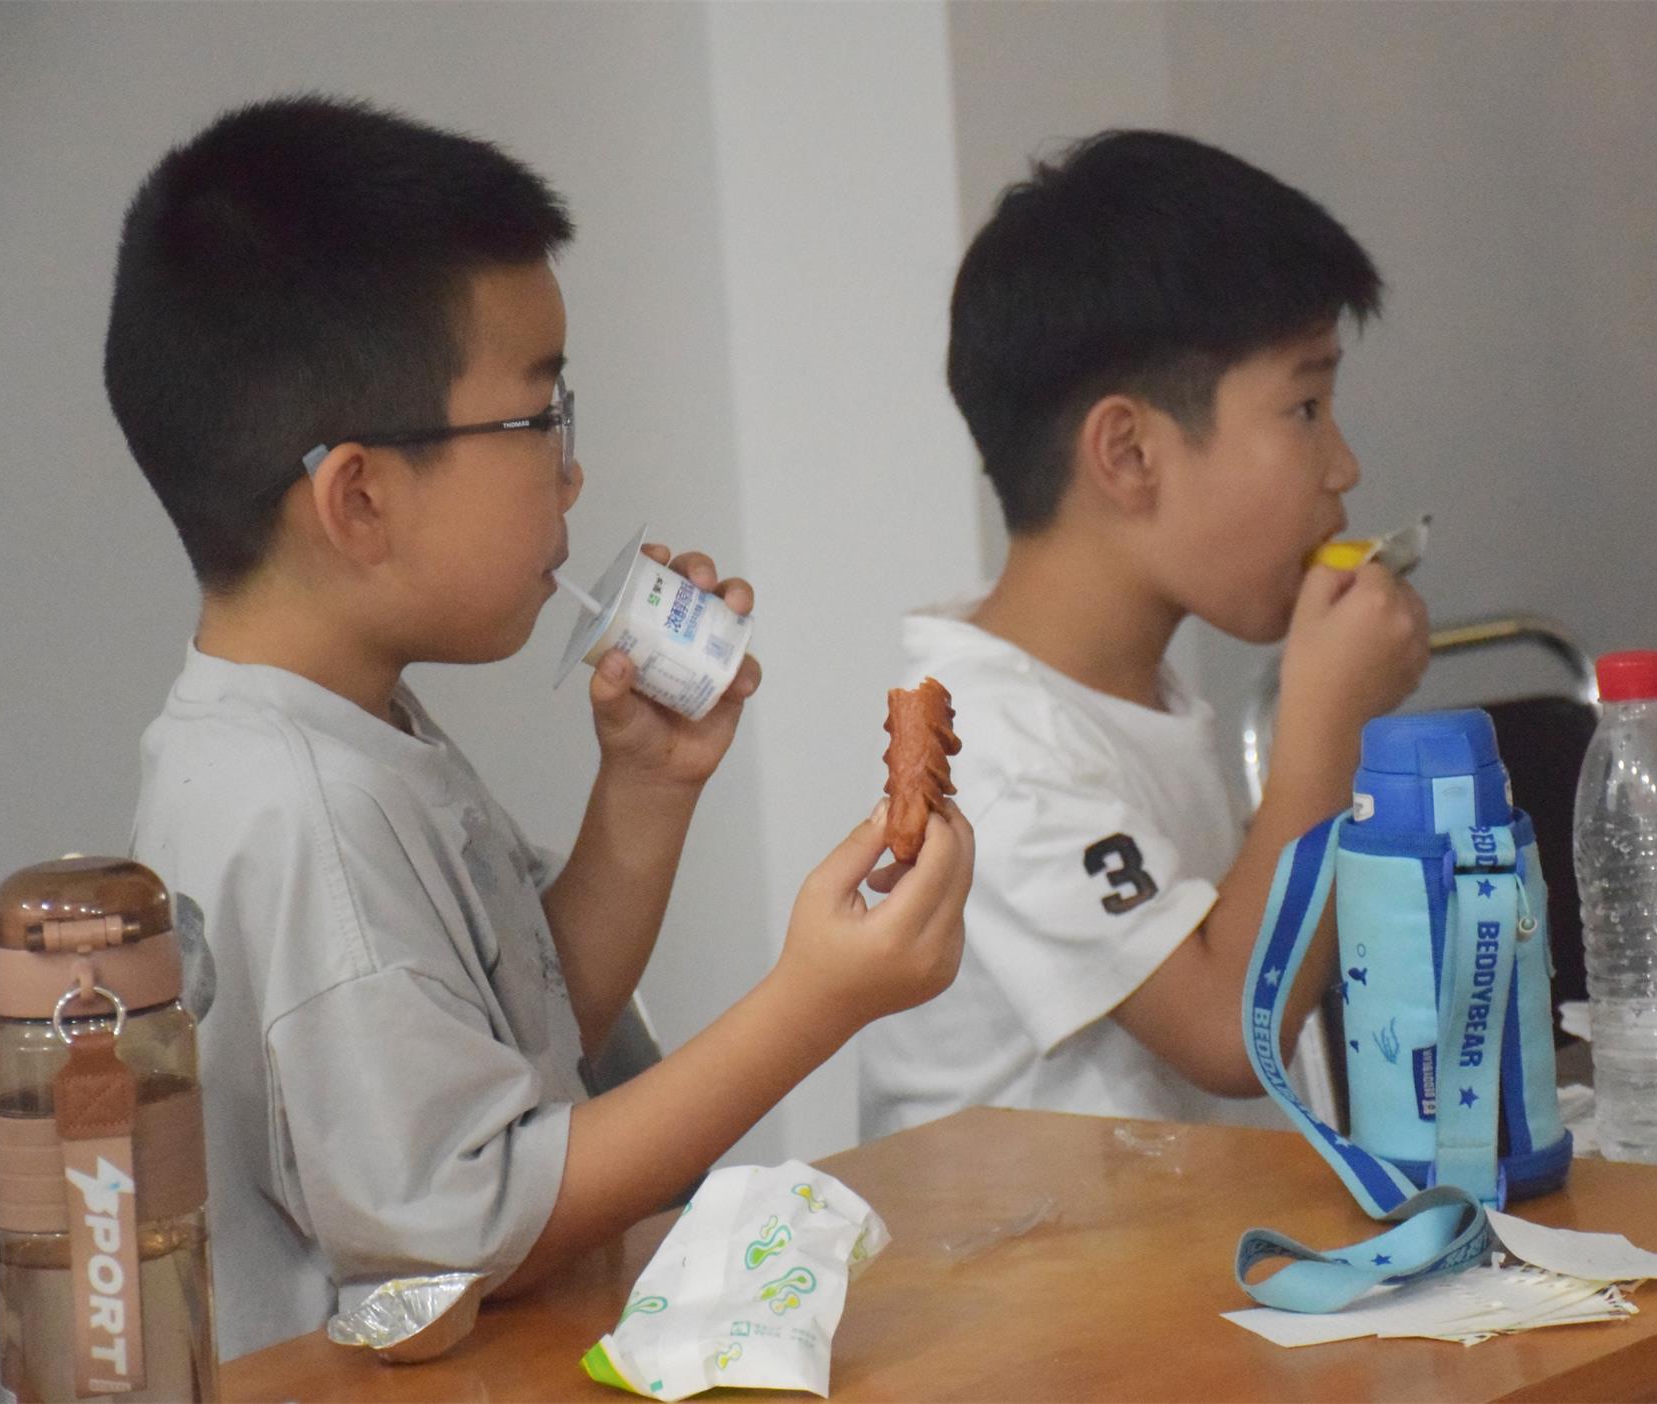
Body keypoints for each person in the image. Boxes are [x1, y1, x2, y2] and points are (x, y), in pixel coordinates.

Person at [107, 96, 972, 1359]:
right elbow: (476, 1221)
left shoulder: (341, 736)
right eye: (538, 419)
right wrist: (816, 1003)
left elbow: (529, 1032)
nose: (571, 473)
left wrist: (644, 792)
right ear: (359, 500)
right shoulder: (303, 814)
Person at [859, 130, 1427, 1138]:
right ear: (1127, 453)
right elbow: (1231, 1035)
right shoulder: (983, 745)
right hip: (1030, 1247)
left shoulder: (1130, 692)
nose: (1344, 467)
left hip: (1181, 1230)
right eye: (1305, 407)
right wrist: (1328, 728)